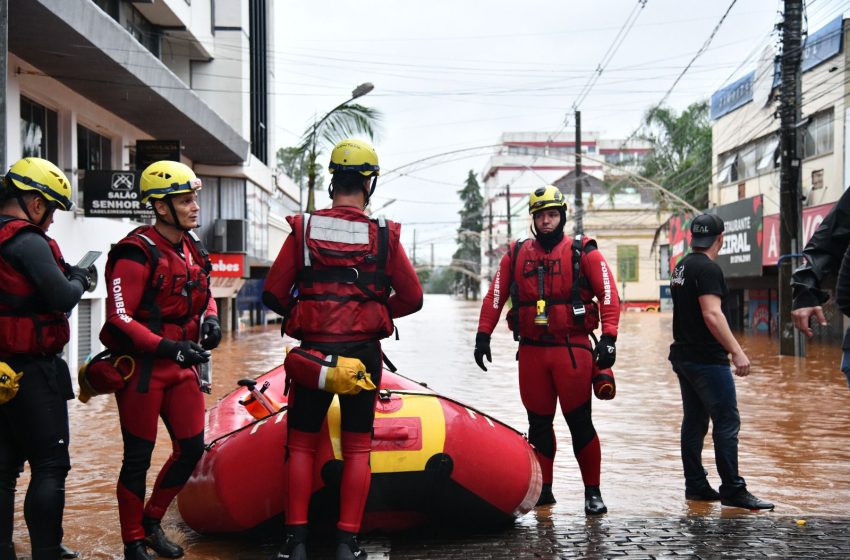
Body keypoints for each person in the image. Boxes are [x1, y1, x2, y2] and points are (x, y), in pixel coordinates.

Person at [263, 138, 423, 560]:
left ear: (333, 179)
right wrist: (374, 309)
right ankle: (346, 544)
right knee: (357, 449)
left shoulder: (304, 229)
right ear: (369, 184)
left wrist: (307, 309)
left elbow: (272, 293)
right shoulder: (384, 235)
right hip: (362, 357)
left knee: (299, 445)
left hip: (311, 354)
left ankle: (294, 543)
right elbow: (413, 297)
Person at [473, 185, 620, 515]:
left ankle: (592, 493)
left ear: (563, 216)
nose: (547, 221)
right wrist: (483, 334)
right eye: (540, 216)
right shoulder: (517, 253)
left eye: (552, 215)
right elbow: (495, 295)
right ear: (533, 220)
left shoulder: (585, 253)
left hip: (573, 352)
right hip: (532, 353)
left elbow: (609, 296)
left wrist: (609, 337)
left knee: (580, 423)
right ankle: (545, 493)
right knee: (538, 425)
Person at [99, 161, 219, 560]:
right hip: (144, 369)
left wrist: (213, 319)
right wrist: (168, 348)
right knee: (138, 457)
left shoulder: (192, 246)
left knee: (191, 448)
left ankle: (152, 521)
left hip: (182, 366)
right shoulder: (135, 251)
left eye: (195, 198)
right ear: (162, 207)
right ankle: (132, 540)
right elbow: (119, 316)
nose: (195, 207)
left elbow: (206, 291)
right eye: (186, 201)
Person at [0, 157, 96, 560]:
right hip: (31, 372)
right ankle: (46, 550)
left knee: (3, 471)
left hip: (2, 371)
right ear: (35, 203)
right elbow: (60, 297)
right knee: (50, 463)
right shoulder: (28, 240)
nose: (53, 219)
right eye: (53, 209)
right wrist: (80, 278)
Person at [668, 213, 773, 510]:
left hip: (684, 356)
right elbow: (712, 314)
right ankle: (733, 489)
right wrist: (737, 351)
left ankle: (697, 486)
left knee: (695, 421)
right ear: (720, 239)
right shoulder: (709, 269)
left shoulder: (682, 267)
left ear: (692, 238)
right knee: (727, 422)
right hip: (707, 360)